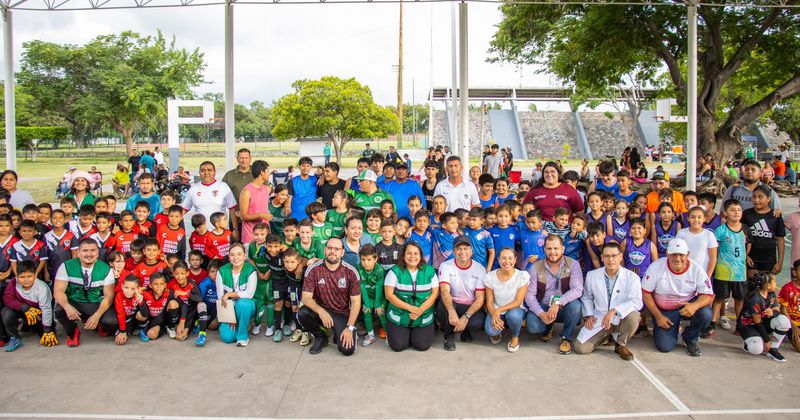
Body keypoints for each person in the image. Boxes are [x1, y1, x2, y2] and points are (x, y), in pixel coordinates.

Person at [642, 238, 713, 356]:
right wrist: (658, 316)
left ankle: (690, 337)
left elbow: (708, 295)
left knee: (706, 314)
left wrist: (694, 306)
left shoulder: (696, 269)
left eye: (681, 254)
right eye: (673, 254)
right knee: (665, 346)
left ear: (687, 254)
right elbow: (646, 293)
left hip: (687, 306)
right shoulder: (656, 266)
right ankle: (664, 328)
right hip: (665, 310)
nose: (677, 258)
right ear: (667, 254)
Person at [575, 242, 642, 360]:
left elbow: (637, 302)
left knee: (634, 316)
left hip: (621, 318)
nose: (610, 259)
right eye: (607, 256)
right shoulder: (592, 275)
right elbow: (586, 297)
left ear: (620, 257)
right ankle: (606, 336)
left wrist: (614, 311)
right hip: (600, 318)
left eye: (614, 256)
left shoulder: (632, 277)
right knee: (581, 348)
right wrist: (589, 315)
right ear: (602, 258)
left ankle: (620, 344)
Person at [298, 237, 361, 356]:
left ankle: (344, 331)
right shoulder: (313, 269)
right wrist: (321, 311)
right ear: (324, 250)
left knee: (347, 350)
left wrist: (349, 327)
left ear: (342, 252)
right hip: (321, 310)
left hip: (342, 314)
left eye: (336, 249)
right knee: (302, 313)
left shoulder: (351, 272)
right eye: (329, 248)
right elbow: (306, 297)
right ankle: (320, 337)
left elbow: (356, 302)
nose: (332, 251)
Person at [524, 235, 584, 355]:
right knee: (533, 326)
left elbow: (577, 289)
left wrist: (557, 303)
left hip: (563, 306)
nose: (553, 252)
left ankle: (566, 338)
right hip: (544, 306)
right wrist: (541, 313)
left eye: (556, 248)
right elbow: (529, 295)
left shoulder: (573, 264)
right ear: (544, 249)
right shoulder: (535, 267)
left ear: (562, 249)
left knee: (576, 307)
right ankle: (548, 326)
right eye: (549, 249)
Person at [53, 238, 117, 347]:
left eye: (92, 250)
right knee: (59, 310)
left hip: (96, 303)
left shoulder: (106, 269)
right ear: (78, 253)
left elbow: (109, 297)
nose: (89, 254)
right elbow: (58, 291)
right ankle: (73, 332)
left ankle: (99, 324)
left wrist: (97, 316)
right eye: (85, 250)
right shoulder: (66, 266)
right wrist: (67, 307)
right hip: (75, 302)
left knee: (112, 322)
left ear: (97, 253)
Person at [384, 241, 439, 352]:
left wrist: (420, 310)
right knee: (398, 346)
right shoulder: (395, 271)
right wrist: (410, 308)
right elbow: (389, 295)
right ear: (403, 255)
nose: (412, 256)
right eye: (409, 253)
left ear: (420, 256)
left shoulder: (429, 271)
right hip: (400, 314)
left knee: (422, 346)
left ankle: (413, 333)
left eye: (416, 253)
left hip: (422, 315)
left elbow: (434, 294)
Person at [436, 236, 486, 351]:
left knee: (478, 323)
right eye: (458, 249)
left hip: (469, 305)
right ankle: (449, 335)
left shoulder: (480, 269)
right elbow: (444, 291)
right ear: (454, 251)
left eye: (465, 248)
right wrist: (451, 311)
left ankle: (464, 329)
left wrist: (466, 317)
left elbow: (479, 298)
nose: (462, 252)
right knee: (443, 308)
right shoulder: (446, 266)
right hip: (452, 302)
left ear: (471, 251)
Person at [484, 248, 530, 353]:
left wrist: (498, 311)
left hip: (515, 309)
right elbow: (489, 302)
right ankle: (498, 331)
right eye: (503, 258)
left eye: (510, 258)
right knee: (491, 331)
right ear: (499, 260)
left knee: (514, 316)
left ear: (515, 260)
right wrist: (494, 313)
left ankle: (515, 336)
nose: (507, 262)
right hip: (496, 309)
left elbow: (517, 302)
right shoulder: (490, 276)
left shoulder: (522, 276)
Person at [738, 271, 790, 362]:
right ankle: (748, 342)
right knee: (756, 349)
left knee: (784, 321)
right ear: (768, 286)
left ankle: (773, 349)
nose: (776, 284)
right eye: (774, 282)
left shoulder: (771, 293)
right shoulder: (755, 299)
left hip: (762, 322)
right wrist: (767, 340)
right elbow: (757, 323)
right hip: (748, 325)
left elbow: (777, 310)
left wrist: (772, 313)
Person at [215, 243, 257, 346]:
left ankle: (242, 337)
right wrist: (230, 317)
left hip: (247, 306)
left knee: (243, 304)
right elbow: (221, 297)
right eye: (232, 255)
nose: (236, 258)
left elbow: (249, 294)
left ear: (244, 255)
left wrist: (229, 294)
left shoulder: (251, 270)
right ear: (229, 256)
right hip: (229, 308)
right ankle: (241, 324)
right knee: (227, 338)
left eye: (239, 254)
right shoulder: (222, 271)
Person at [181, 161, 238, 235]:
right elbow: (184, 209)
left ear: (214, 172)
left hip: (220, 234)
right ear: (199, 173)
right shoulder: (193, 189)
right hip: (201, 234)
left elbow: (232, 209)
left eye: (209, 170)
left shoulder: (223, 187)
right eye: (203, 170)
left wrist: (235, 229)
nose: (206, 173)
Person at [238, 160, 272, 244]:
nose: (269, 173)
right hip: (250, 237)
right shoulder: (246, 191)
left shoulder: (267, 189)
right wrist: (261, 215)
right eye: (267, 171)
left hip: (265, 236)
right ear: (262, 172)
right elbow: (243, 216)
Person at [287, 157, 318, 221]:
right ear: (299, 166)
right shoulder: (292, 181)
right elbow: (288, 201)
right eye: (303, 166)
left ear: (311, 167)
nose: (305, 168)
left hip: (310, 217)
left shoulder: (316, 180)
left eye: (308, 166)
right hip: (295, 216)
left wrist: (322, 177)